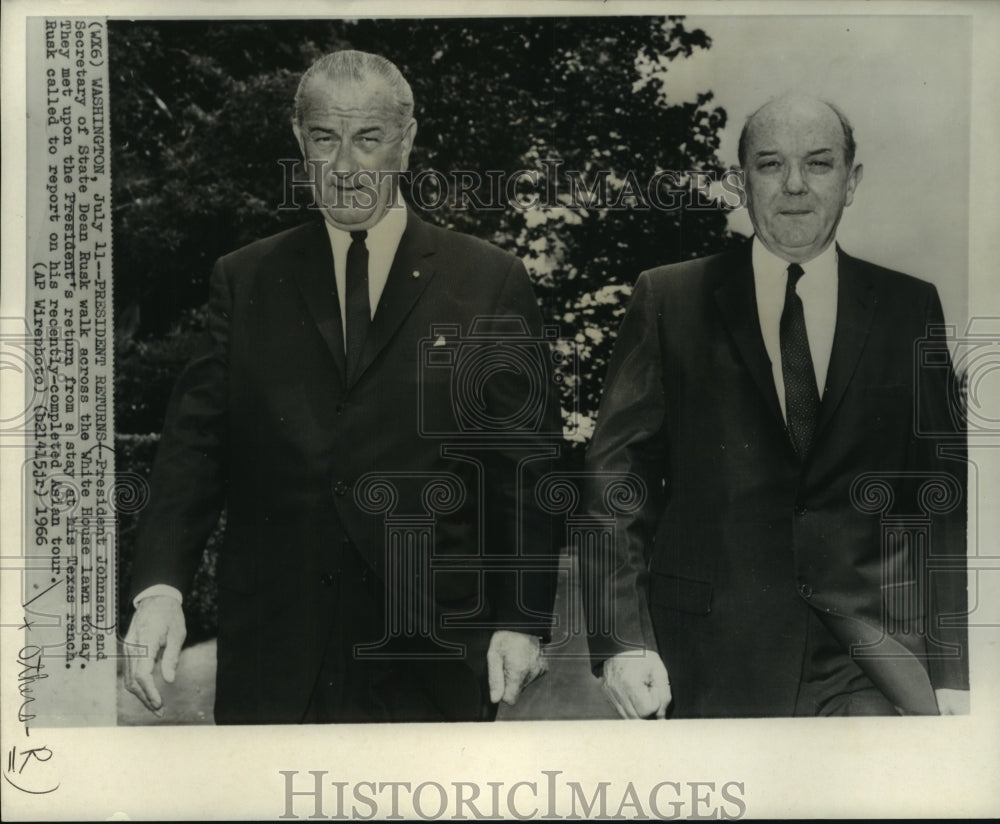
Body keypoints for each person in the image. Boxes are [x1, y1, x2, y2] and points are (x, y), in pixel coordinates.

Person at [123, 50, 560, 724]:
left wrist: (522, 620)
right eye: (325, 139)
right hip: (275, 650)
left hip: (433, 650)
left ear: (406, 142)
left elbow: (523, 471)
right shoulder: (244, 279)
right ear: (300, 142)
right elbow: (194, 448)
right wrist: (159, 590)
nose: (346, 165)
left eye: (369, 138)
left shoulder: (487, 280)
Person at [582, 94, 969, 718]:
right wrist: (623, 642)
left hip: (869, 668)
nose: (794, 184)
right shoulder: (669, 298)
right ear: (741, 183)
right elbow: (616, 482)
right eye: (770, 164)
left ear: (851, 181)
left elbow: (939, 499)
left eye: (818, 163)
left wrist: (950, 674)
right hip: (706, 660)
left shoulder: (909, 308)